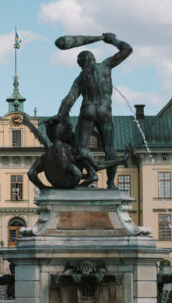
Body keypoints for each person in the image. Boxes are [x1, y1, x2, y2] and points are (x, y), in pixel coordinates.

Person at [55, 32, 132, 189]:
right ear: (93, 59)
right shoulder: (106, 65)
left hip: (88, 109)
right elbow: (127, 49)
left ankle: (91, 173)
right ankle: (110, 184)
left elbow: (69, 99)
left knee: (80, 148)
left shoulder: (81, 77)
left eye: (79, 63)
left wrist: (59, 115)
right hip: (105, 111)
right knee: (109, 148)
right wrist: (113, 41)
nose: (79, 66)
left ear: (83, 62)